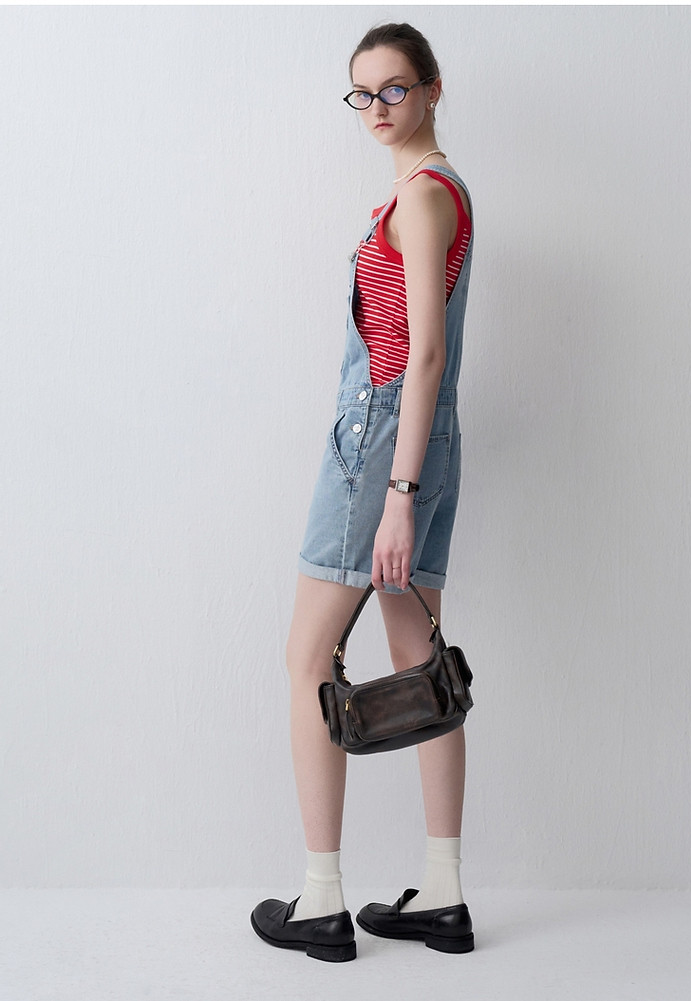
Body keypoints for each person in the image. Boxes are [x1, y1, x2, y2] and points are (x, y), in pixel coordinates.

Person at [250, 23, 475, 962]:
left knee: (308, 657)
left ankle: (320, 900)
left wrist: (397, 492)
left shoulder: (422, 198)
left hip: (382, 441)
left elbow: (422, 354)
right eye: (363, 94)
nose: (377, 108)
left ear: (431, 88)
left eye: (394, 89)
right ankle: (445, 892)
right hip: (422, 438)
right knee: (422, 658)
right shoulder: (441, 190)